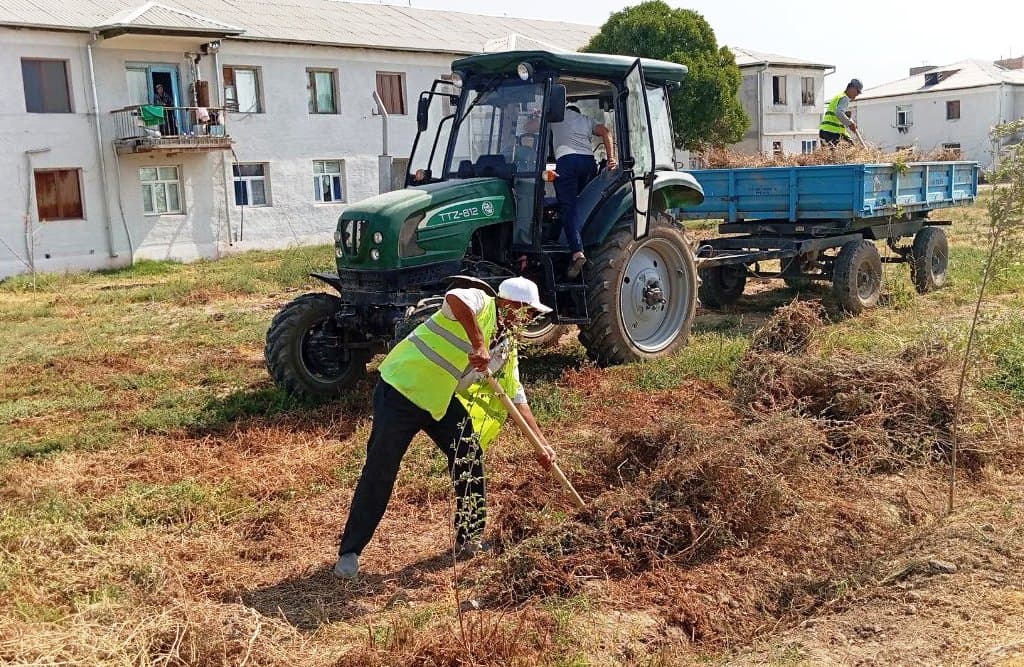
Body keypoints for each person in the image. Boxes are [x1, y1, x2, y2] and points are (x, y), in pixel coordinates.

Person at [333, 277, 557, 580]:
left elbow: (515, 394)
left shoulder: (507, 345)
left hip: (438, 400)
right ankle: (350, 551)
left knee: (469, 453)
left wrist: (541, 443)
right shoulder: (481, 302)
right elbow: (454, 297)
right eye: (528, 312)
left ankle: (470, 536)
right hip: (401, 389)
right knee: (380, 469)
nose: (529, 320)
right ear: (510, 305)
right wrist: (479, 342)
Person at [550, 104, 617, 278]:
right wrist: (611, 159)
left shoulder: (557, 116)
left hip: (567, 161)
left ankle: (577, 251)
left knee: (568, 207)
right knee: (582, 201)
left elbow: (531, 128)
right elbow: (606, 132)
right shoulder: (586, 120)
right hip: (588, 163)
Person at [819, 79, 863, 146]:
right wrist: (850, 124)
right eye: (857, 91)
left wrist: (846, 117)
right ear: (851, 88)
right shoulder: (845, 98)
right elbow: (839, 113)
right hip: (832, 133)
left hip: (825, 132)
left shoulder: (839, 96)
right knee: (851, 151)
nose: (857, 94)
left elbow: (837, 113)